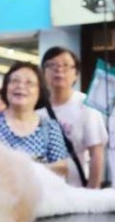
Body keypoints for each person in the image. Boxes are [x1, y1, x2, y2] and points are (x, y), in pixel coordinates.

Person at [0, 62, 69, 178]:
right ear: (6, 87)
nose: (21, 86)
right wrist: (37, 167)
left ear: (39, 91)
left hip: (39, 195)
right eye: (15, 81)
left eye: (29, 83)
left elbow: (61, 170)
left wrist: (18, 170)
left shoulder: (49, 128)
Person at [40, 47, 107, 189]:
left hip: (76, 190)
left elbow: (96, 153)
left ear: (75, 74)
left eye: (65, 65)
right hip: (44, 190)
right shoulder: (37, 109)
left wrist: (92, 192)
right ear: (43, 73)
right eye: (52, 65)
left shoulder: (86, 106)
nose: (59, 70)